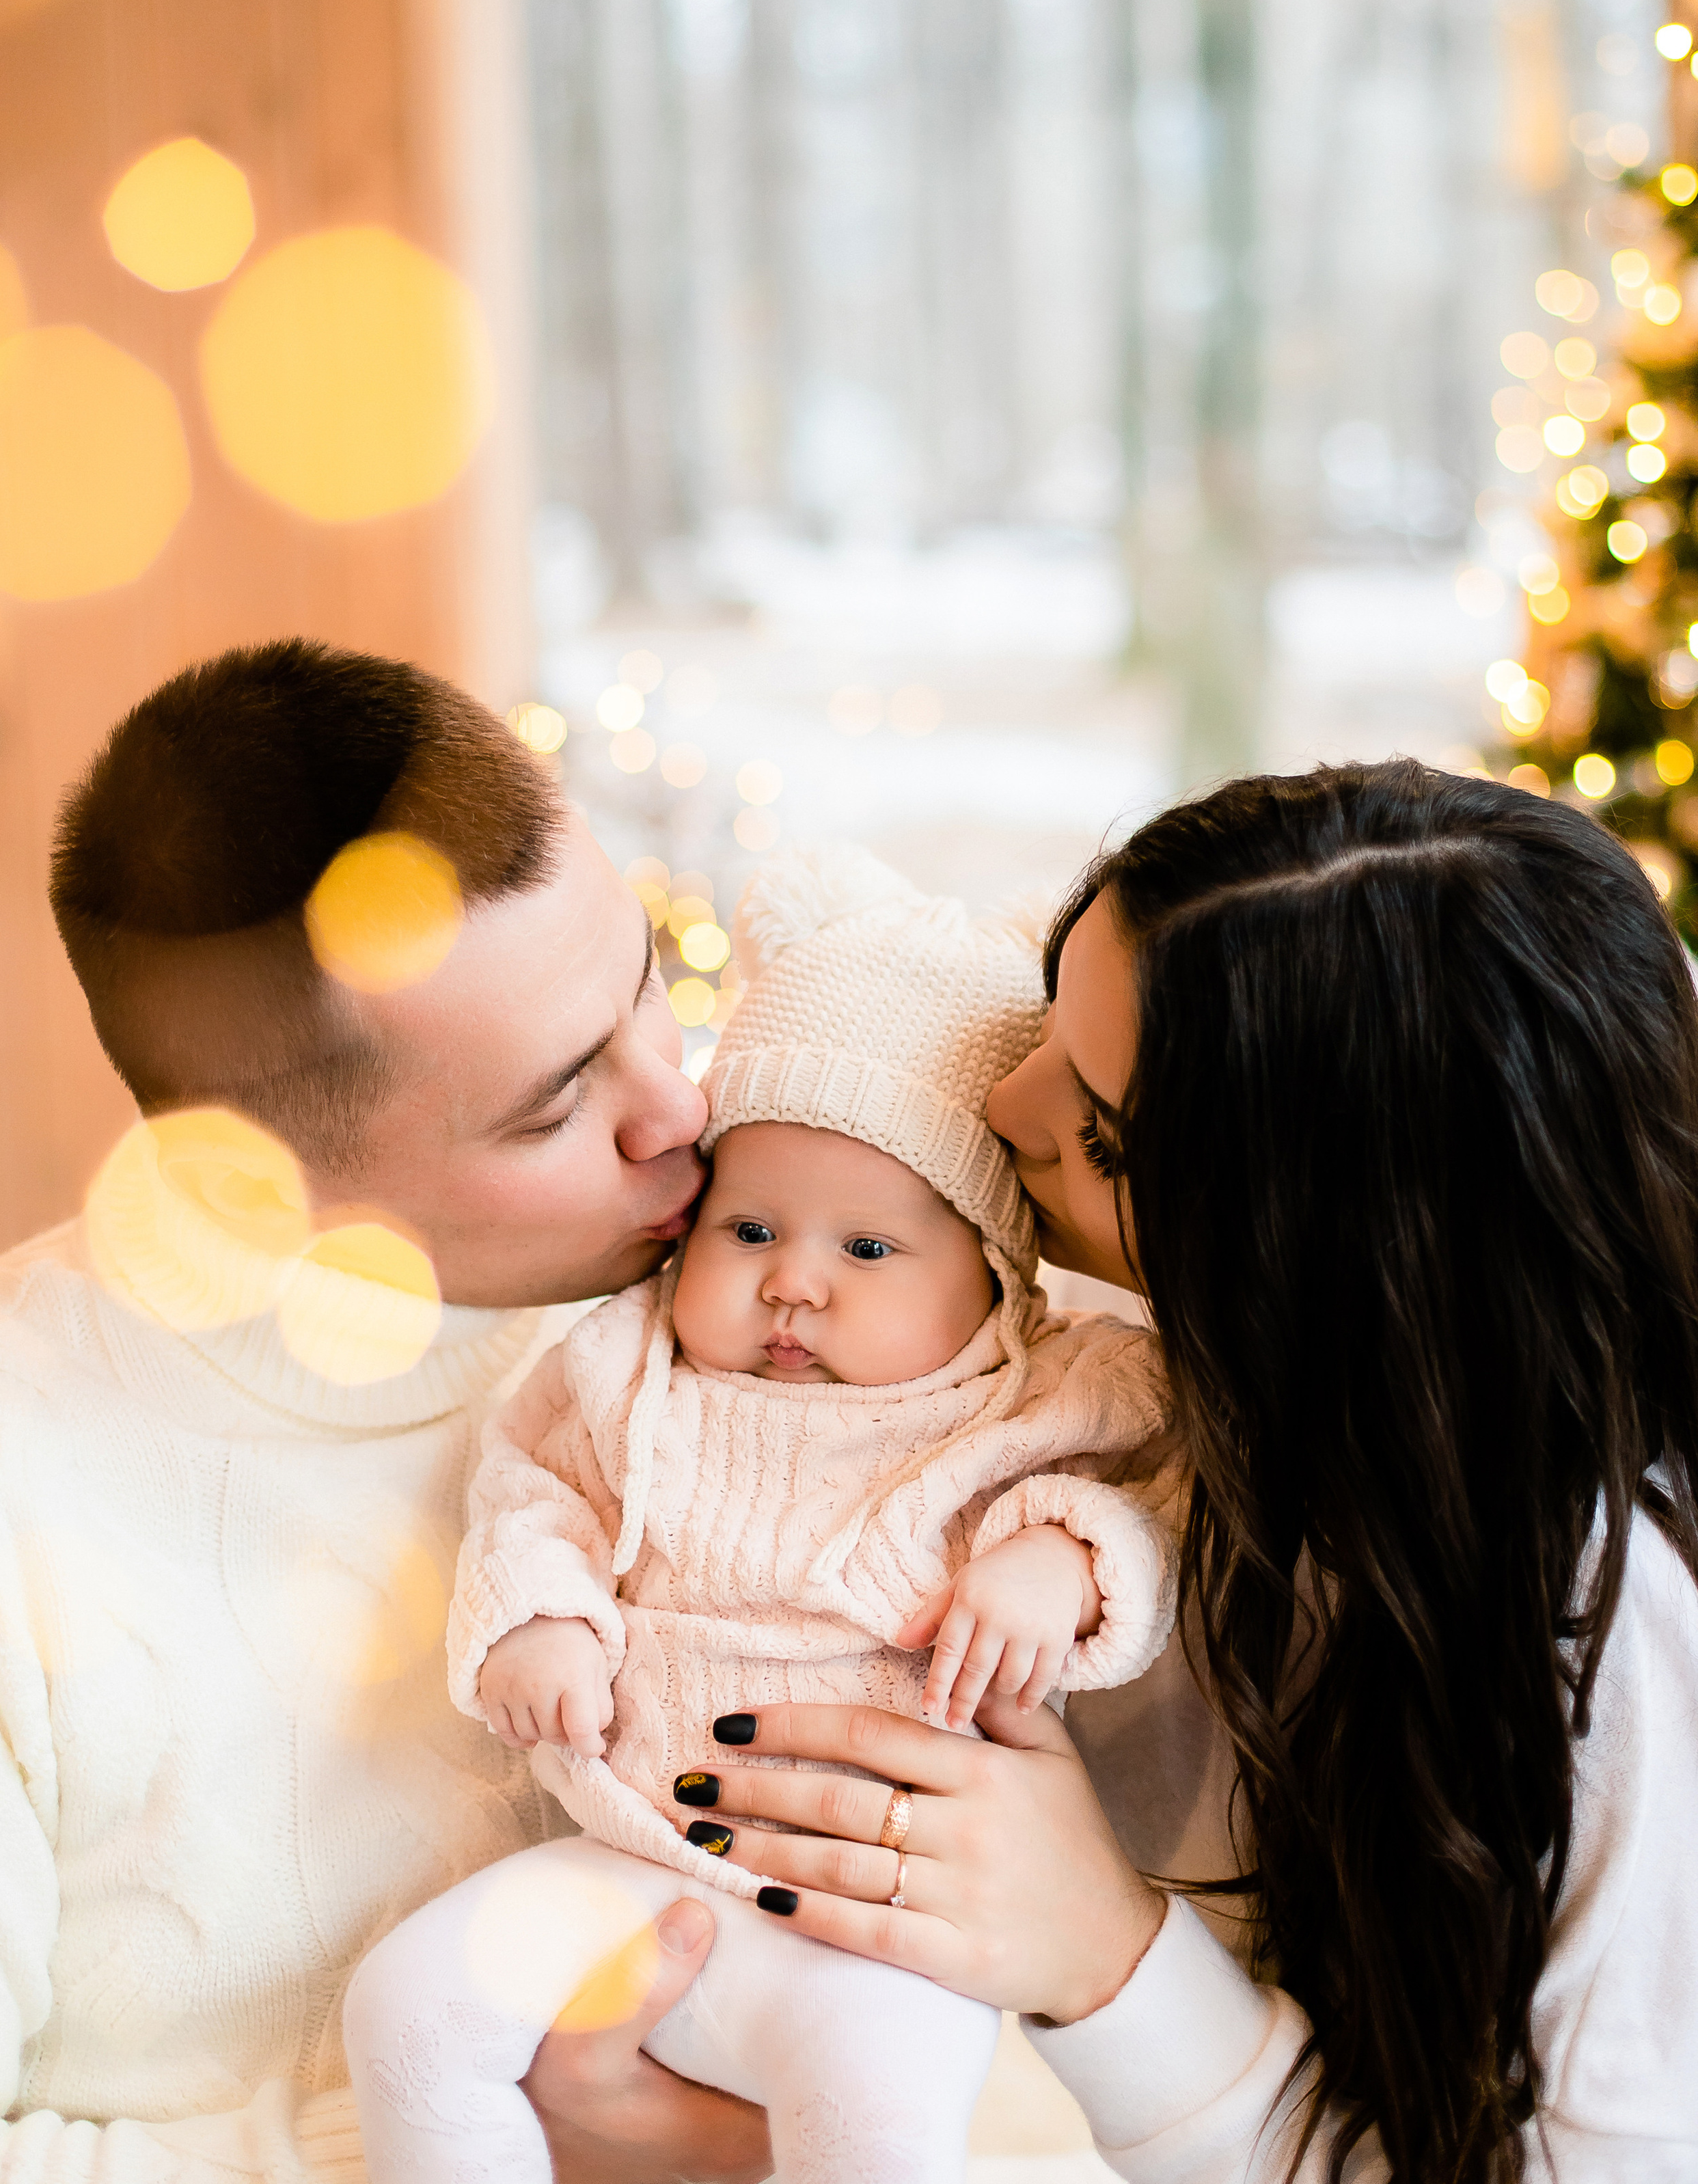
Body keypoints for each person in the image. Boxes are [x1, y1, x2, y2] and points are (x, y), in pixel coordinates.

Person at [656, 763, 1698, 2182]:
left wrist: (1102, 1955)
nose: (1004, 1104)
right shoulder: (1082, 1356)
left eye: (1095, 1131)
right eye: (1045, 1009)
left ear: (1303, 1254)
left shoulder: (1597, 1630)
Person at [0, 639, 782, 2184]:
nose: (676, 1108)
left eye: (647, 986)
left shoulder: (769, 1278)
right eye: (553, 1106)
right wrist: (481, 2145)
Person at [341, 848, 1179, 2184]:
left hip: (876, 1927)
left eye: (864, 1249)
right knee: (403, 2013)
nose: (793, 1285)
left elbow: (1150, 1498)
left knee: (872, 2132)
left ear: (990, 1276)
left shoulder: (1041, 1393)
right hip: (628, 1856)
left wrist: (1058, 1562)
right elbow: (532, 1489)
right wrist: (539, 1620)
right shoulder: (625, 1371)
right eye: (747, 1231)